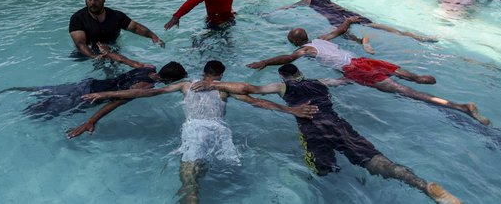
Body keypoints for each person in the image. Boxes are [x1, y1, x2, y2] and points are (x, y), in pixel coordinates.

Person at [190, 64, 462, 204]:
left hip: (313, 132)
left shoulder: (282, 87)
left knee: (322, 171)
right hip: (339, 124)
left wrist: (215, 83)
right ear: (302, 73)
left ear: (285, 78)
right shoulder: (321, 82)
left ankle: (334, 183)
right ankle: (423, 185)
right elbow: (345, 80)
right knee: (381, 163)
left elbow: (249, 88)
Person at [74, 60, 318, 204]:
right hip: (221, 133)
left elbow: (144, 93)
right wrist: (292, 111)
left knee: (190, 183)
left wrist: (106, 93)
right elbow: (259, 102)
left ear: (204, 73)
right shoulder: (225, 88)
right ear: (220, 74)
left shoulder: (184, 85)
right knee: (205, 173)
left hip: (195, 130)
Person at [245, 17, 490, 125]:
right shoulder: (321, 39)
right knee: (413, 79)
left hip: (356, 69)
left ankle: (460, 107)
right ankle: (421, 77)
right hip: (362, 60)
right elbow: (339, 31)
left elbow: (288, 58)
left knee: (405, 92)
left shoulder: (305, 50)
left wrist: (265, 62)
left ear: (296, 42)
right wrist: (348, 21)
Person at [0, 61, 187, 119]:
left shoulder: (147, 67)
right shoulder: (147, 86)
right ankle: (11, 116)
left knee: (43, 90)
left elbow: (124, 63)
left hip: (89, 83)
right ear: (169, 80)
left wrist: (107, 55)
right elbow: (120, 99)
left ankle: (7, 91)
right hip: (90, 95)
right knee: (43, 111)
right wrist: (97, 111)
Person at [283, 0, 438, 50]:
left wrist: (272, 11)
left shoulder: (306, 0)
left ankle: (361, 42)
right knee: (375, 25)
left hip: (335, 18)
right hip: (347, 12)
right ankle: (417, 37)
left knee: (343, 33)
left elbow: (288, 7)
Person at [69, 0, 165, 61]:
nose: (93, 2)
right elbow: (80, 43)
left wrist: (155, 38)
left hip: (112, 48)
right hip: (86, 54)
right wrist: (95, 57)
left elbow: (135, 27)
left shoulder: (116, 16)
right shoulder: (77, 18)